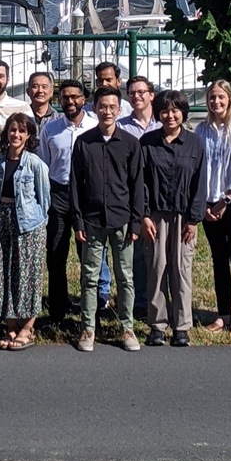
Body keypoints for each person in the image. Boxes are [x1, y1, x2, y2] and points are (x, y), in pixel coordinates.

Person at [70, 85, 144, 352]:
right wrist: (78, 221)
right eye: (103, 107)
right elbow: (75, 184)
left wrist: (136, 221)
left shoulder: (130, 144)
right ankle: (88, 328)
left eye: (113, 107)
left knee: (125, 277)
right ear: (95, 108)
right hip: (91, 221)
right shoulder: (84, 142)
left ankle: (127, 328)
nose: (108, 112)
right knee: (89, 277)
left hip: (122, 220)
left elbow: (137, 186)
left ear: (119, 108)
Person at [139, 91, 206, 347]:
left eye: (175, 110)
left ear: (183, 113)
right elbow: (141, 183)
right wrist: (144, 215)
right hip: (155, 216)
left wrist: (194, 218)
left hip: (184, 217)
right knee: (156, 268)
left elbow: (200, 183)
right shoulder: (147, 143)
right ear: (158, 113)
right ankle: (157, 326)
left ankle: (181, 327)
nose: (170, 115)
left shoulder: (194, 143)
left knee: (181, 269)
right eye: (165, 110)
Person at [0, 112, 50, 350]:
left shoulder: (35, 163)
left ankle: (27, 327)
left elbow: (44, 199)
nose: (16, 134)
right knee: (2, 272)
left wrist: (38, 224)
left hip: (28, 225)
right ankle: (11, 326)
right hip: (1, 220)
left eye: (22, 131)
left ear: (29, 135)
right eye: (13, 130)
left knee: (27, 275)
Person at [195, 80, 231, 338]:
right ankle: (223, 315)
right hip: (209, 205)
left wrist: (224, 201)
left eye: (220, 97)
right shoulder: (201, 130)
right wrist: (204, 205)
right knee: (218, 261)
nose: (216, 102)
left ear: (230, 99)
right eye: (211, 97)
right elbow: (198, 168)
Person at [38, 79, 97, 325]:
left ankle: (89, 311)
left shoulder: (95, 126)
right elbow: (43, 164)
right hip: (59, 195)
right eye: (65, 98)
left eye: (75, 97)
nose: (70, 101)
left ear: (84, 99)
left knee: (90, 258)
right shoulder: (50, 129)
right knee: (56, 255)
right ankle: (57, 311)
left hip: (87, 197)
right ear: (59, 100)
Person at [117, 74, 161, 316]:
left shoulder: (164, 122)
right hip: (130, 196)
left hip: (159, 195)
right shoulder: (122, 126)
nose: (136, 96)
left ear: (151, 95)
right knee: (134, 254)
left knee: (160, 253)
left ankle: (162, 300)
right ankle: (139, 303)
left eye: (141, 92)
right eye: (132, 93)